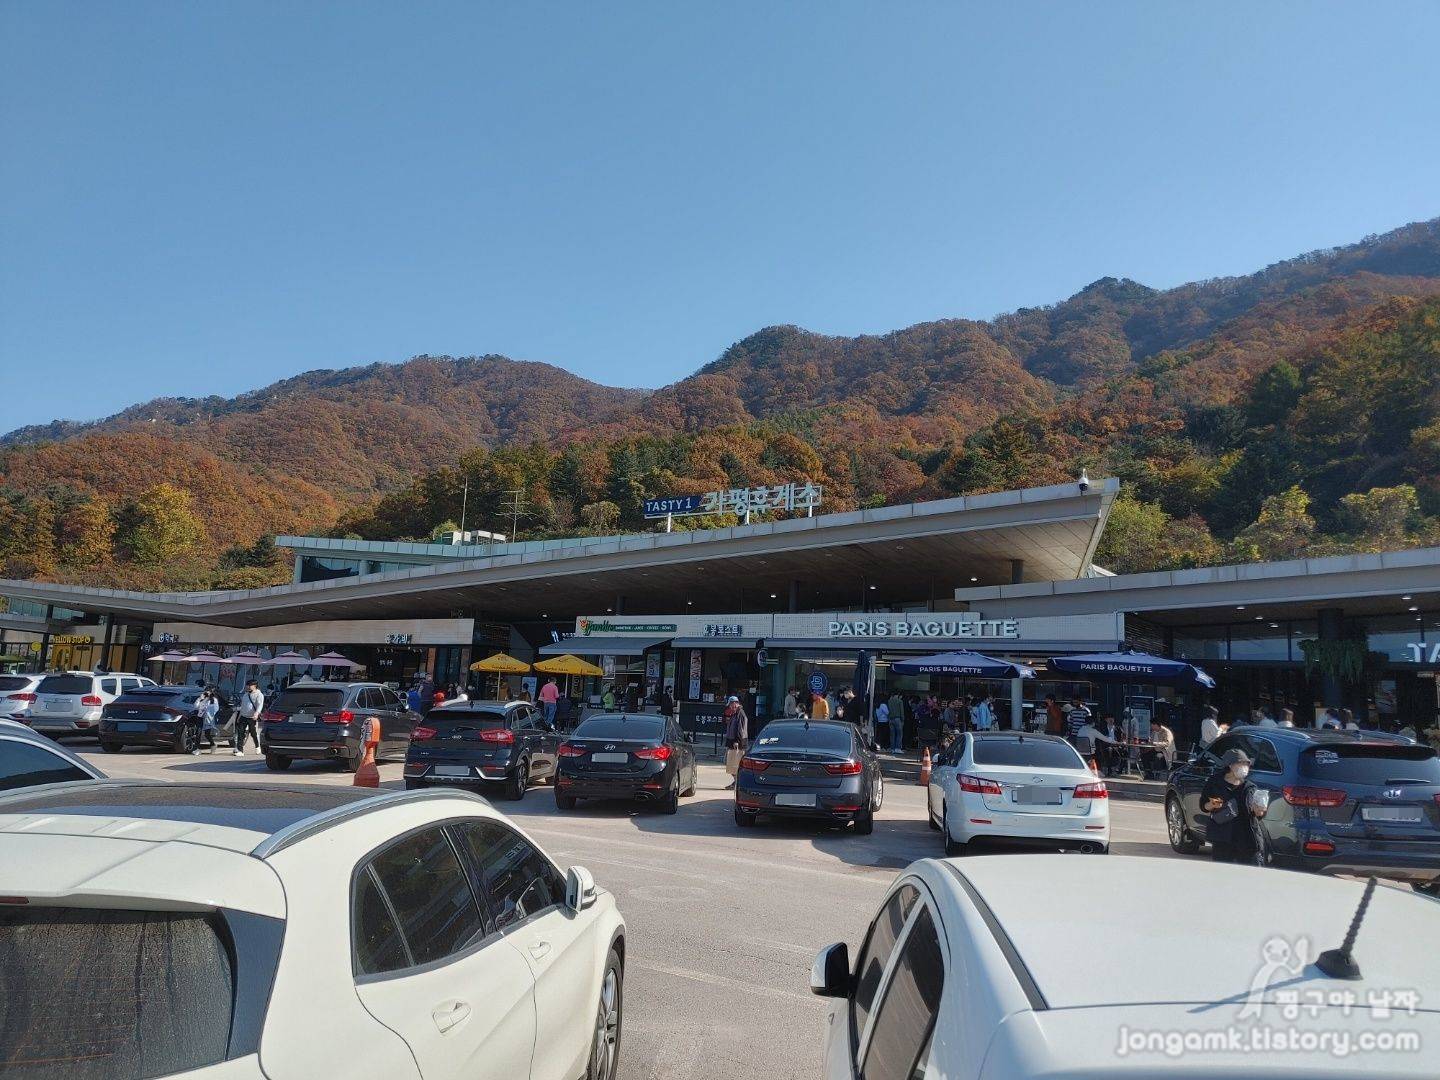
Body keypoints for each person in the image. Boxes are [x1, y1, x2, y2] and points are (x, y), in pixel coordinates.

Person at [1200, 748, 1269, 866]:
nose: (1245, 767)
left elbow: (1257, 815)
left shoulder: (1250, 787)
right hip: (1222, 839)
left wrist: (1259, 811)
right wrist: (1211, 805)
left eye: (1247, 764)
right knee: (1223, 872)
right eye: (1241, 764)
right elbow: (1203, 806)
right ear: (1230, 765)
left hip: (1246, 839)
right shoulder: (1215, 783)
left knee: (1249, 873)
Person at [722, 695, 749, 791]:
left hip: (737, 744)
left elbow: (740, 729)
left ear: (735, 703)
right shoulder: (735, 713)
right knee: (731, 765)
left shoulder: (740, 714)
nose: (730, 707)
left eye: (730, 705)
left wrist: (737, 741)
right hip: (732, 742)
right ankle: (736, 782)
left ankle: (737, 783)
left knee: (734, 764)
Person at [234, 679, 263, 757]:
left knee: (253, 733)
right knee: (240, 733)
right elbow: (243, 706)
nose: (248, 687)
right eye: (247, 685)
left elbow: (260, 705)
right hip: (243, 716)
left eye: (250, 685)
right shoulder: (246, 694)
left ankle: (257, 746)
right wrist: (239, 716)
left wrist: (256, 714)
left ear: (255, 686)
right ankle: (240, 750)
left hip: (252, 717)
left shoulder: (259, 694)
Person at [194, 686, 221, 755]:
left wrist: (208, 711)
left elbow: (216, 709)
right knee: (198, 733)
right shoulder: (203, 698)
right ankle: (197, 749)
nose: (206, 692)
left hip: (208, 718)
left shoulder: (214, 700)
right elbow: (196, 706)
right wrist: (199, 699)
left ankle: (213, 744)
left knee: (207, 734)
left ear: (211, 692)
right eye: (205, 691)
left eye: (208, 691)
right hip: (200, 717)